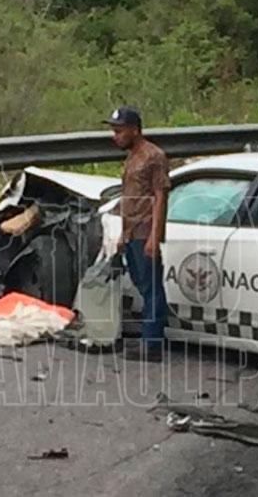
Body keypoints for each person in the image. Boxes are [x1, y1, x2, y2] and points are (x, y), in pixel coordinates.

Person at [104, 107, 169, 362]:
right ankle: (148, 337)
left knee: (152, 287)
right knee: (143, 285)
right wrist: (123, 233)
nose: (115, 136)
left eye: (119, 131)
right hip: (132, 231)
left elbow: (160, 196)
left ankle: (152, 343)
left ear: (135, 129)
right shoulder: (132, 157)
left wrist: (155, 236)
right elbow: (130, 198)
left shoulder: (154, 156)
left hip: (146, 231)